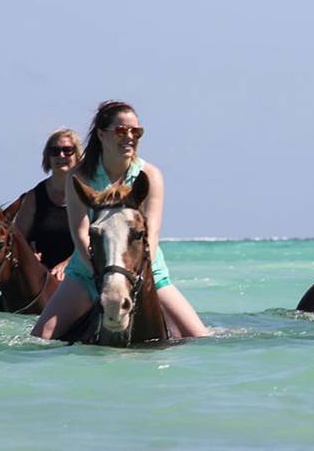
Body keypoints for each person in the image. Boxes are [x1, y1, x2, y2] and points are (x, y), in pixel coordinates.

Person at [31, 101, 208, 340]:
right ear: (102, 135)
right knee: (40, 338)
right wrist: (101, 276)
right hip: (87, 272)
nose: (130, 137)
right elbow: (80, 232)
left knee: (200, 337)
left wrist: (139, 279)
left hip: (145, 271)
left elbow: (152, 233)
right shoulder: (78, 176)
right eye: (121, 131)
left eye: (136, 132)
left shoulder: (151, 175)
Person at [14, 128, 83, 281]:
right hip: (39, 278)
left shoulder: (87, 195)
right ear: (48, 157)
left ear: (77, 156)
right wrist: (29, 255)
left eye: (67, 150)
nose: (61, 155)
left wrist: (67, 264)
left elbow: (94, 242)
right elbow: (17, 240)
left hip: (79, 275)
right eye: (55, 151)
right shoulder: (34, 197)